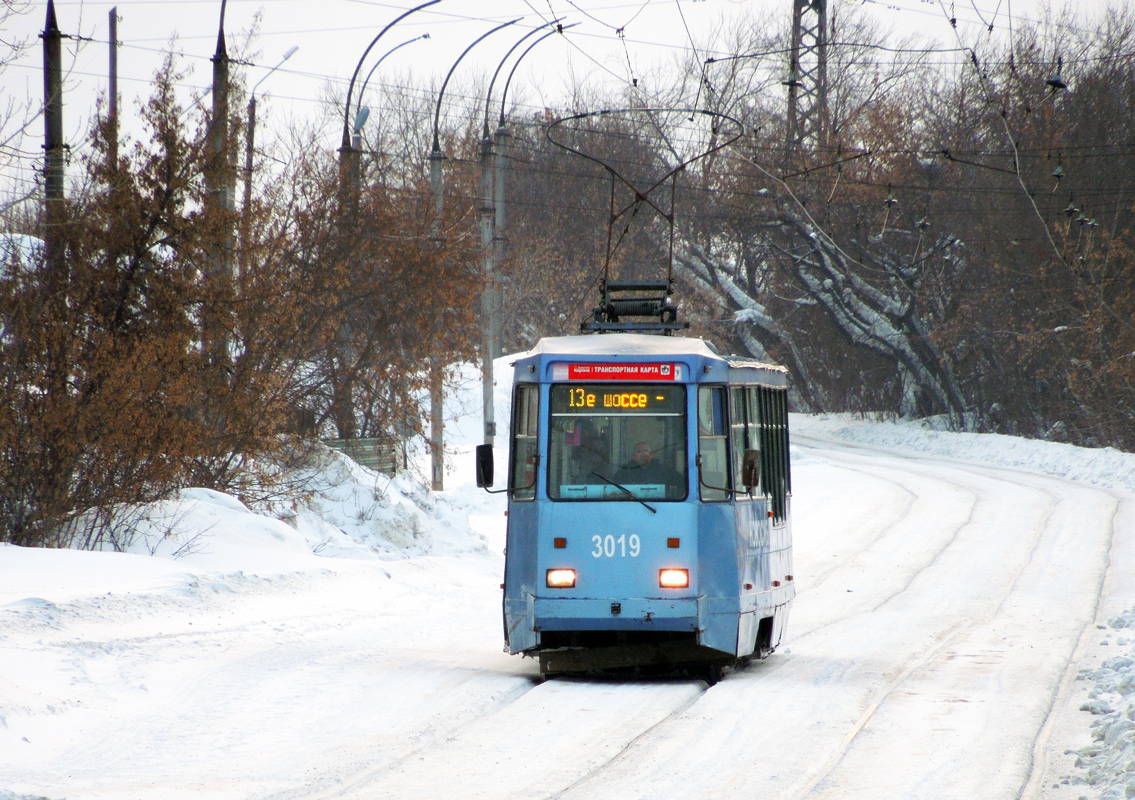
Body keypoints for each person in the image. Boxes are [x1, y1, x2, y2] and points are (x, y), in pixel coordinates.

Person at [614, 441, 680, 488]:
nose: (643, 454)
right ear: (633, 456)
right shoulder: (624, 472)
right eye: (639, 451)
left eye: (646, 451)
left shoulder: (663, 470)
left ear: (651, 455)